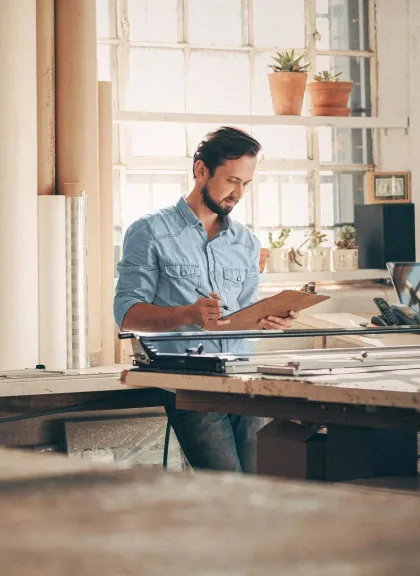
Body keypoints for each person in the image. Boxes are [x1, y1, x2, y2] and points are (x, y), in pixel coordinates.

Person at [113, 126, 298, 473]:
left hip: (243, 378)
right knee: (228, 488)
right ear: (201, 170)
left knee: (262, 487)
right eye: (231, 180)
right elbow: (126, 314)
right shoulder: (150, 231)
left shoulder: (245, 242)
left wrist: (268, 316)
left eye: (245, 184)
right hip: (190, 383)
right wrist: (188, 314)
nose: (238, 193)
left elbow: (241, 311)